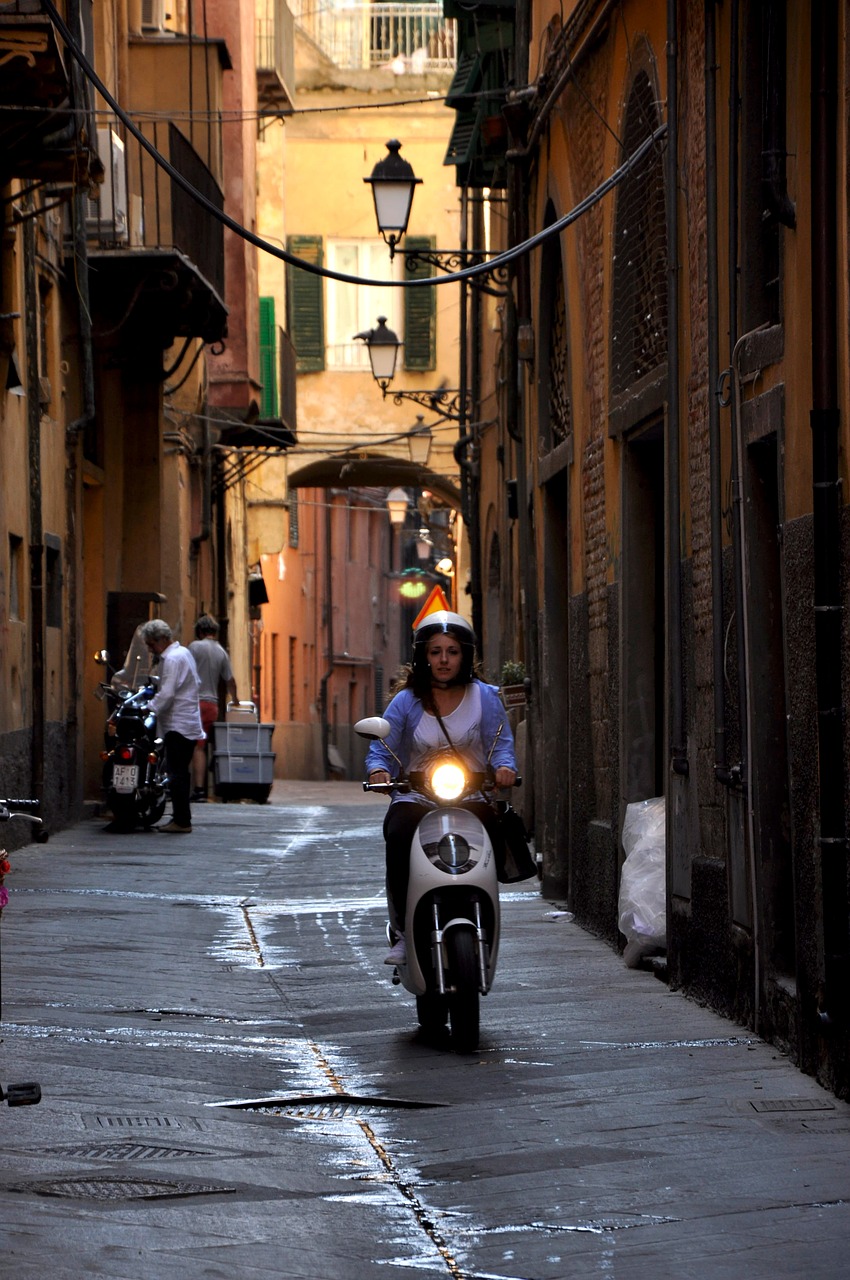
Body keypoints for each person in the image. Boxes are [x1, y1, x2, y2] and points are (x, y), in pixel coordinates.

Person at [365, 611, 517, 966]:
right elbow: (383, 745)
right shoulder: (405, 700)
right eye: (435, 652)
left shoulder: (487, 697)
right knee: (399, 832)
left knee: (491, 833)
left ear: (464, 654)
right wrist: (377, 770)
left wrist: (506, 767)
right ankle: (403, 930)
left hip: (472, 794)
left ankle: (482, 910)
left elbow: (501, 743)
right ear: (424, 656)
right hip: (417, 794)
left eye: (452, 651)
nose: (444, 659)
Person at [141, 619, 203, 834]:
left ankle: (182, 820)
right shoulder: (183, 653)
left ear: (162, 640)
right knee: (179, 772)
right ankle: (181, 818)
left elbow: (167, 693)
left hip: (178, 723)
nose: (150, 649)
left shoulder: (173, 659)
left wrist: (149, 708)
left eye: (151, 644)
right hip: (186, 721)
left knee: (176, 773)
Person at [189, 614, 239, 801]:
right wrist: (235, 700)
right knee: (203, 746)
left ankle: (198, 789)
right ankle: (206, 787)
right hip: (212, 705)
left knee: (195, 747)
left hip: (193, 703)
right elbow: (230, 681)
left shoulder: (194, 647)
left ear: (200, 631)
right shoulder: (221, 652)